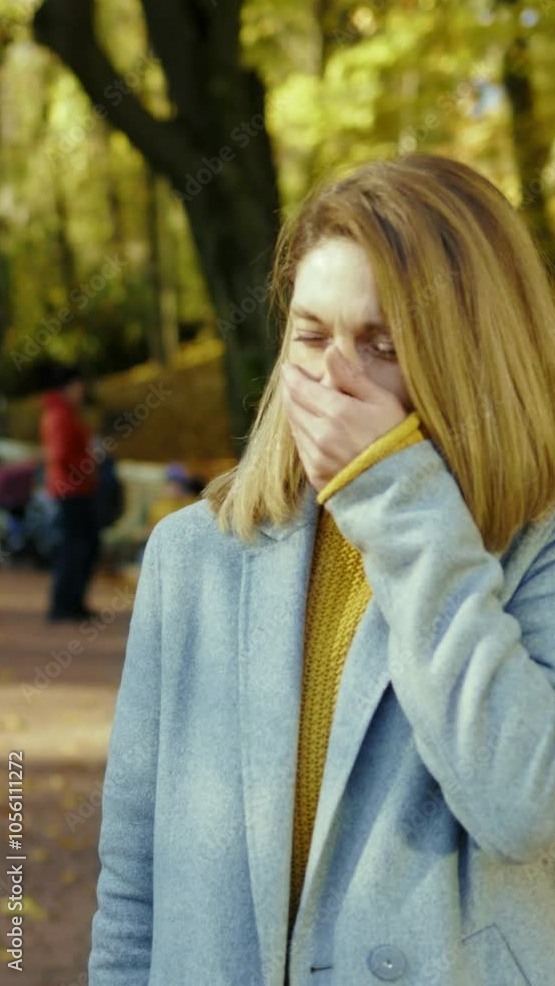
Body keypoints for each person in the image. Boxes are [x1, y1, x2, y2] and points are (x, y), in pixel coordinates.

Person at [87, 154, 555, 986]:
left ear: (473, 355)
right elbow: (132, 884)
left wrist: (397, 499)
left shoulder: (536, 549)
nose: (335, 378)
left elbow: (523, 803)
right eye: (311, 337)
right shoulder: (193, 555)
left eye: (381, 345)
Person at [39, 362, 101, 621]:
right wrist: (88, 463)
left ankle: (71, 602)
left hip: (73, 487)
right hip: (71, 490)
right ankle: (65, 604)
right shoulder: (61, 415)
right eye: (78, 386)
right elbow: (61, 454)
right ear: (68, 387)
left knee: (81, 546)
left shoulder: (63, 412)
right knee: (76, 547)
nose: (82, 391)